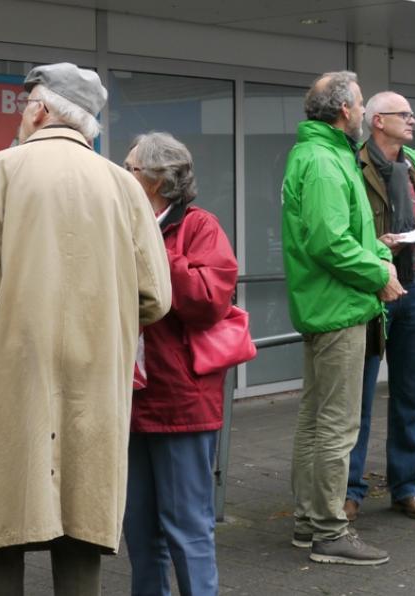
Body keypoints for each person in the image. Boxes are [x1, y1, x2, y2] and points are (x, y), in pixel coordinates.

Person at [0, 62, 172, 595]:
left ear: (39, 110)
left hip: (14, 381)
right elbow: (156, 298)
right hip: (97, 385)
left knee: (5, 527)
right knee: (82, 528)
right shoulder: (124, 188)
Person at [282, 70, 404, 566]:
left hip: (326, 304)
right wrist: (378, 272)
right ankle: (330, 531)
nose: (361, 109)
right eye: (357, 102)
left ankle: (310, 524)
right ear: (345, 111)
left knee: (315, 423)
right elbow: (329, 242)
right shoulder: (325, 159)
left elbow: (336, 232)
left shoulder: (320, 154)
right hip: (339, 307)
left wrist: (375, 247)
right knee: (336, 426)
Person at [121, 132, 238, 596]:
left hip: (182, 403)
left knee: (188, 527)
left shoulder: (199, 226)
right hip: (129, 399)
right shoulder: (120, 224)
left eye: (130, 168)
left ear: (157, 180)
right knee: (138, 528)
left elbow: (210, 300)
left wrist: (153, 250)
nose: (122, 175)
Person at [344, 92, 415, 524]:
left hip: (414, 291)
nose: (413, 120)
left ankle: (405, 487)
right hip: (370, 296)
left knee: (410, 395)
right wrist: (376, 247)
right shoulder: (352, 164)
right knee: (357, 401)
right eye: (403, 115)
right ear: (377, 121)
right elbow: (341, 231)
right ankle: (350, 491)